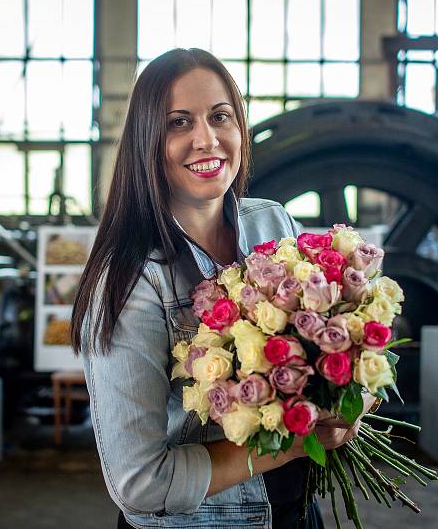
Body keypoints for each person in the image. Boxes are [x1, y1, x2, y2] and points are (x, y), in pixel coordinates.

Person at [71, 48, 360, 529]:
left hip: (297, 512)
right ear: (147, 140)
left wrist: (351, 404)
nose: (206, 140)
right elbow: (140, 483)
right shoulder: (130, 281)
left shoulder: (273, 221)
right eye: (179, 123)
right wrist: (294, 440)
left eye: (220, 116)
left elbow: (335, 348)